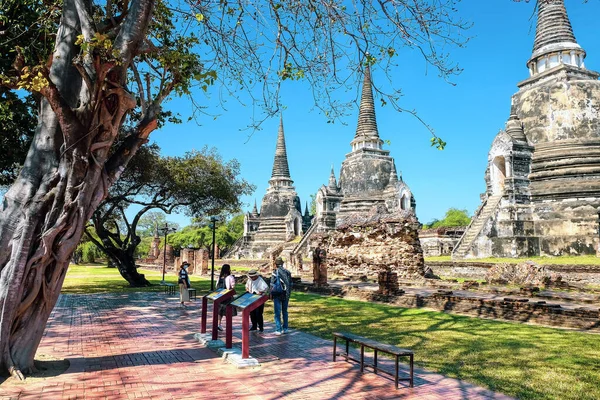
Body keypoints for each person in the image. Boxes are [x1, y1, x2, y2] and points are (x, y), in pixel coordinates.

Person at [271, 257, 292, 335]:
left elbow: (272, 284)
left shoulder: (275, 272)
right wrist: (288, 293)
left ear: (276, 264)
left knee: (277, 312)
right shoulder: (288, 272)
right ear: (282, 263)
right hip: (286, 294)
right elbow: (290, 284)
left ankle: (278, 329)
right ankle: (285, 328)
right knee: (285, 311)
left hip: (278, 294)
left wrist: (270, 294)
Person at [217, 264, 236, 331]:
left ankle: (218, 324)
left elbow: (217, 285)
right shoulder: (230, 277)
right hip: (228, 296)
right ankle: (228, 325)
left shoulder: (220, 277)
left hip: (220, 296)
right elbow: (232, 286)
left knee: (220, 311)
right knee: (228, 311)